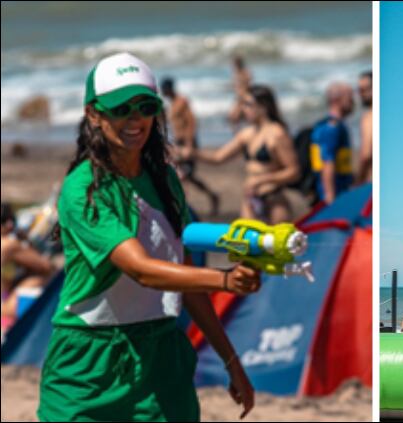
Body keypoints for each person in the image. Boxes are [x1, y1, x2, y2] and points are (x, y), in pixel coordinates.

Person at [38, 52, 261, 422]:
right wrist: (226, 279)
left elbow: (183, 277)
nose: (136, 118)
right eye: (121, 108)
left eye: (145, 106)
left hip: (161, 357)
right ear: (94, 113)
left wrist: (231, 359)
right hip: (88, 364)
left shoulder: (165, 178)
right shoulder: (82, 190)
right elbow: (142, 270)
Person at [188, 84, 300, 223]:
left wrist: (262, 180)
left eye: (247, 104)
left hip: (273, 200)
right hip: (250, 201)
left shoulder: (277, 134)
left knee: (276, 243)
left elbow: (294, 171)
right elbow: (218, 157)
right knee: (247, 243)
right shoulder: (247, 134)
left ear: (263, 106)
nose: (243, 109)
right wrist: (192, 153)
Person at [160, 77, 220, 216]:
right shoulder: (172, 104)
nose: (163, 92)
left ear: (169, 89)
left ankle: (184, 206)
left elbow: (191, 122)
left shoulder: (182, 102)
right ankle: (211, 196)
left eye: (164, 90)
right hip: (179, 143)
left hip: (187, 143)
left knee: (184, 174)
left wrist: (189, 145)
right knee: (187, 175)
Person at [1, 203, 54, 329]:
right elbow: (46, 267)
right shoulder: (9, 244)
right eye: (3, 219)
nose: (10, 224)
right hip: (9, 310)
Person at [310, 82, 355, 204]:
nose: (353, 102)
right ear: (336, 100)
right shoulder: (332, 127)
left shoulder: (326, 124)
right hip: (335, 195)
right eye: (349, 97)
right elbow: (327, 161)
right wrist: (330, 197)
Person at [227, 56, 253, 130]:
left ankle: (241, 133)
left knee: (236, 116)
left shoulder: (244, 73)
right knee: (234, 117)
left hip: (243, 96)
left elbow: (246, 85)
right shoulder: (238, 73)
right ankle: (240, 133)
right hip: (239, 97)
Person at [356, 71, 372, 184]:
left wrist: (358, 182)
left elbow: (366, 154)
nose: (362, 94)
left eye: (365, 89)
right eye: (360, 90)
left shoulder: (369, 117)